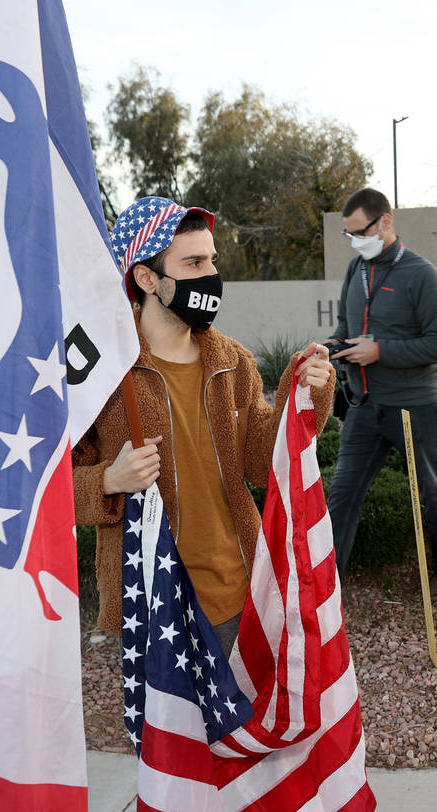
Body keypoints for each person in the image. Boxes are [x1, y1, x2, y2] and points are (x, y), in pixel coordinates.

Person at [73, 196, 335, 652]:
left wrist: (307, 395)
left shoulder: (233, 361)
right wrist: (109, 480)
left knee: (247, 723)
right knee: (167, 728)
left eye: (212, 260)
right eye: (193, 263)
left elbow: (260, 462)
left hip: (240, 591)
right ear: (147, 277)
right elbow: (48, 489)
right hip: (151, 603)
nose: (210, 276)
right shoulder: (103, 372)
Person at [326, 188, 437, 597]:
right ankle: (325, 586)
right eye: (348, 235)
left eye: (360, 232)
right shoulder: (356, 270)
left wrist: (380, 351)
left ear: (385, 222)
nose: (355, 242)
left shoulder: (421, 274)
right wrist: (331, 349)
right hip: (364, 406)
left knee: (429, 488)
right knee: (342, 494)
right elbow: (343, 329)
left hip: (413, 406)